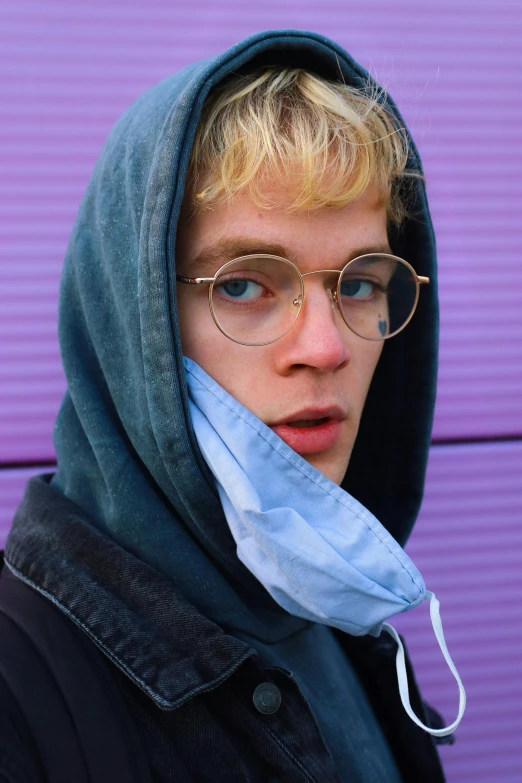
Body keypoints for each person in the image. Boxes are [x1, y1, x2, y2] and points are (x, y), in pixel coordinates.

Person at [0, 29, 463, 782]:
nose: (325, 346)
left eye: (358, 282)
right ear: (135, 318)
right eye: (244, 284)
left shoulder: (332, 602)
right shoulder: (22, 692)